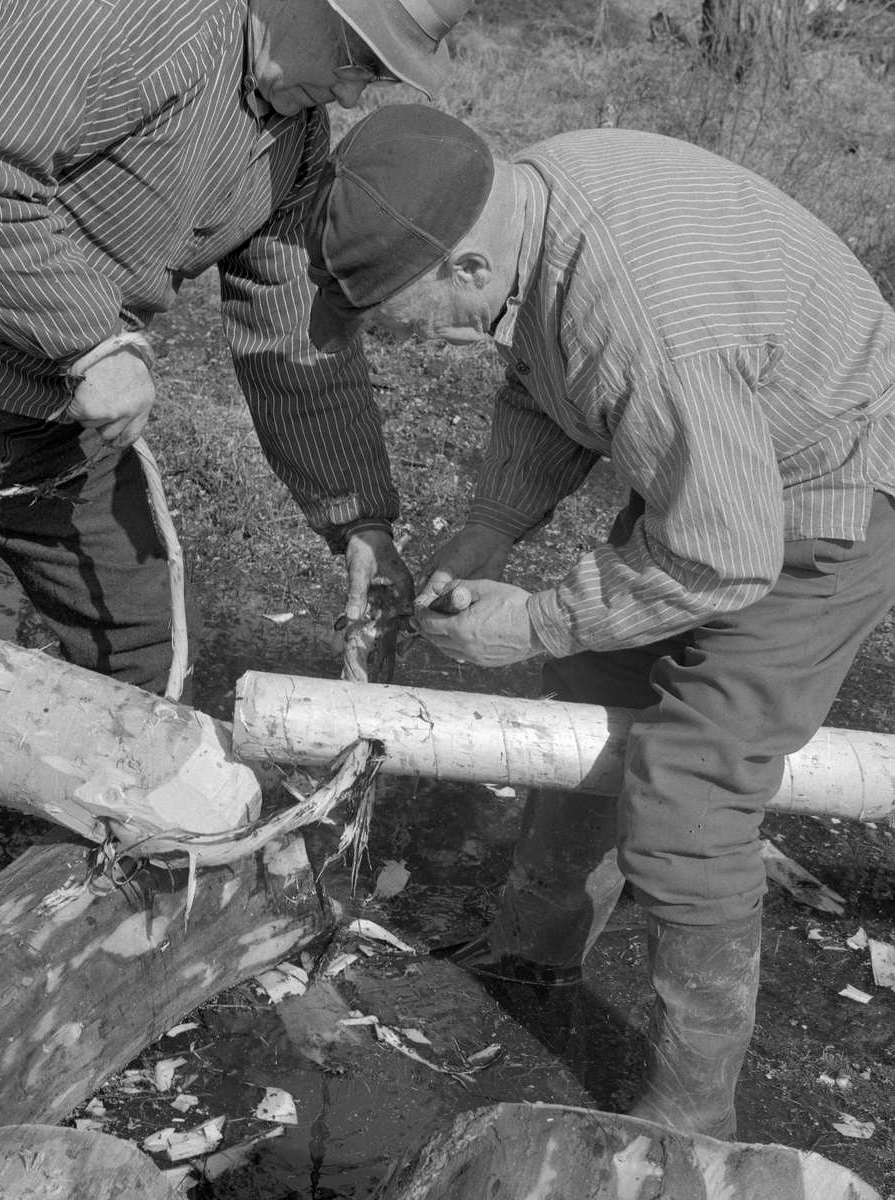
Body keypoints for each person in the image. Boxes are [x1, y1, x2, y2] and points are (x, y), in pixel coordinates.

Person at [0, 0, 479, 1069]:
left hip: (51, 406)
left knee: (138, 620)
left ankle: (88, 906)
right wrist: (89, 338)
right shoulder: (134, 18)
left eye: (381, 74)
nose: (359, 89)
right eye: (357, 54)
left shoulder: (292, 134)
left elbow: (286, 321)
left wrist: (356, 518)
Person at [305, 104, 895, 1138]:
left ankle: (687, 1111)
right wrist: (491, 524)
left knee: (688, 789)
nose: (428, 345)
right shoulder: (527, 199)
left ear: (467, 267)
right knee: (590, 691)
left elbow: (722, 554)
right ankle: (531, 951)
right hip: (719, 468)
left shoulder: (638, 315)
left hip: (828, 498)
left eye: (412, 318)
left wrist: (528, 623)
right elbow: (542, 381)